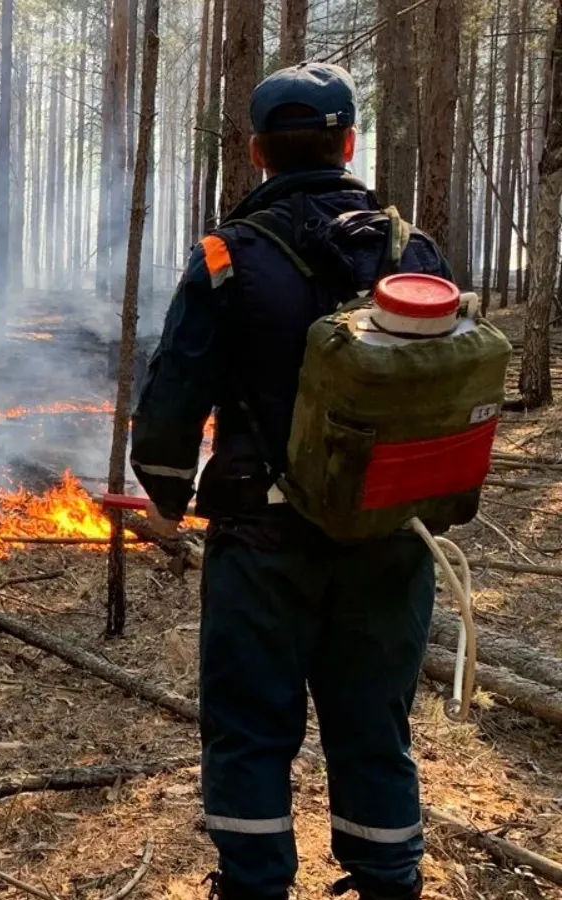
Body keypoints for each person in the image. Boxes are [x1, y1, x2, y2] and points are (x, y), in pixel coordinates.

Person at [130, 62, 453, 900]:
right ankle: (389, 881)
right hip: (389, 540)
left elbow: (172, 397)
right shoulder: (411, 251)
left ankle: (255, 885)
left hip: (263, 542)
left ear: (254, 153)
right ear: (349, 144)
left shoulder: (225, 255)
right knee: (374, 731)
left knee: (249, 733)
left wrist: (169, 494)